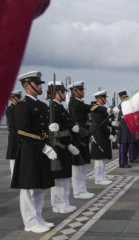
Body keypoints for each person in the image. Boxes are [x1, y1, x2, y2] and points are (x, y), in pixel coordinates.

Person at [11, 71, 56, 233]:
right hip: (30, 151)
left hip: (41, 150)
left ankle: (37, 217)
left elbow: (43, 127)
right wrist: (43, 146)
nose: (39, 86)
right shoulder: (23, 106)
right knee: (28, 189)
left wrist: (52, 130)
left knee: (40, 187)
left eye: (39, 84)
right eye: (36, 84)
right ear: (26, 86)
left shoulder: (43, 105)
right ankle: (29, 222)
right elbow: (23, 132)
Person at [47, 81, 80, 214]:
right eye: (62, 92)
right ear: (55, 94)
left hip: (64, 146)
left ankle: (64, 202)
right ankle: (58, 204)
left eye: (65, 92)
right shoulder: (53, 108)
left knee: (65, 177)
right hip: (58, 146)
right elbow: (54, 132)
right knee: (59, 178)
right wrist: (67, 144)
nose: (65, 94)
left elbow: (67, 124)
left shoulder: (59, 107)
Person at [68, 81, 101, 199]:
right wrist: (102, 108)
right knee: (78, 166)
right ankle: (78, 191)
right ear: (74, 91)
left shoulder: (79, 103)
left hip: (83, 136)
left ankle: (82, 189)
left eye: (83, 90)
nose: (83, 92)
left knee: (83, 165)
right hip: (77, 138)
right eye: (81, 90)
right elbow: (88, 108)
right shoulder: (74, 103)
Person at [90, 90, 117, 185]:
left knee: (103, 158)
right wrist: (109, 135)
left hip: (103, 135)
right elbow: (100, 124)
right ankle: (98, 178)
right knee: (99, 159)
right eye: (104, 98)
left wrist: (112, 123)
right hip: (99, 135)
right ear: (99, 99)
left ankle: (102, 176)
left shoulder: (102, 108)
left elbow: (105, 121)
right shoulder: (96, 109)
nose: (105, 99)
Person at [6, 90, 22, 178]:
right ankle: (13, 176)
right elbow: (13, 123)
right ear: (13, 98)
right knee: (13, 157)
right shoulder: (10, 109)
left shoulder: (19, 108)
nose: (20, 99)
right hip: (14, 136)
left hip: (19, 135)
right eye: (18, 97)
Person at [116, 90, 134, 168]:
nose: (126, 98)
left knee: (126, 146)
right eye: (125, 97)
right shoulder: (120, 106)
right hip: (123, 129)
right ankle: (122, 163)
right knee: (123, 147)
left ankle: (125, 162)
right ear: (121, 98)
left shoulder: (126, 105)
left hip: (127, 128)